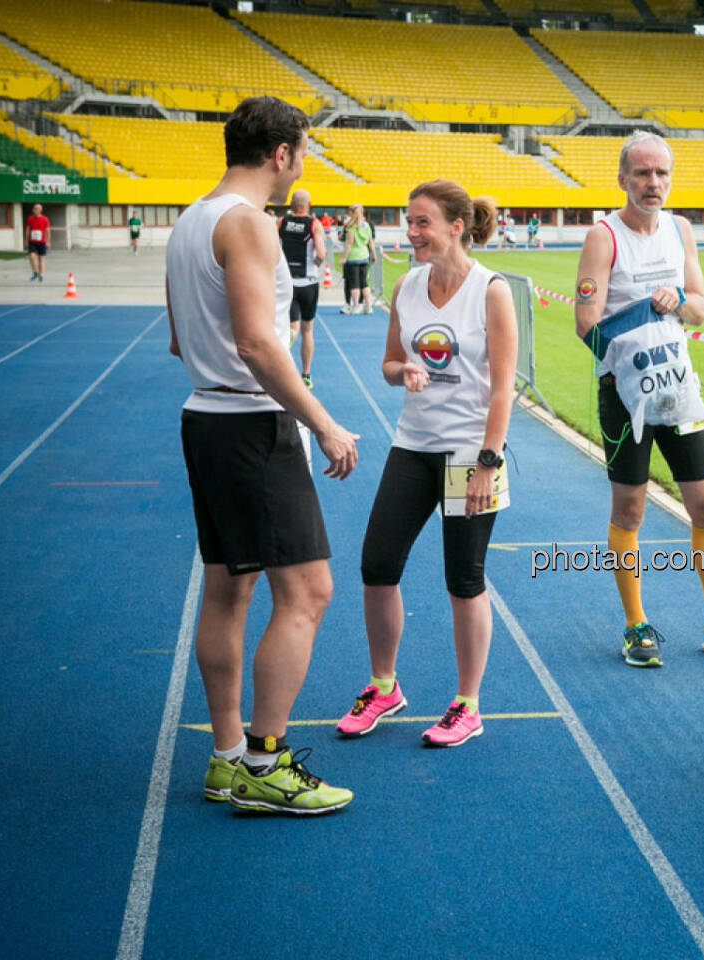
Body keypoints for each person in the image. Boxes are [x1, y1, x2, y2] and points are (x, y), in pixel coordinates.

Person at [165, 95, 360, 815]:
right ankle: (265, 761)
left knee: (228, 589)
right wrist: (327, 424)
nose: (303, 163)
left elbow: (182, 342)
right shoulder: (249, 224)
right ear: (280, 153)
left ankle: (226, 759)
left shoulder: (190, 220)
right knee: (307, 592)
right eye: (302, 151)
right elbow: (255, 342)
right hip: (252, 424)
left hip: (205, 417)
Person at [573, 131, 704, 668]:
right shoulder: (603, 236)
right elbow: (585, 326)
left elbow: (701, 309)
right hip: (626, 398)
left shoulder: (681, 230)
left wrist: (679, 300)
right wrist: (643, 317)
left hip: (678, 391)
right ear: (622, 179)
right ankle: (637, 626)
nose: (653, 183)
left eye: (661, 174)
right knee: (630, 510)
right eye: (642, 173)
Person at [336, 178, 517, 748]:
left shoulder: (491, 290)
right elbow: (390, 362)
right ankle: (383, 686)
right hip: (412, 444)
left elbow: (504, 391)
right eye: (407, 222)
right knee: (377, 563)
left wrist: (488, 460)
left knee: (463, 580)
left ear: (456, 227)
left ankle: (467, 703)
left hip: (471, 451)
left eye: (421, 223)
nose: (410, 232)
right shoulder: (408, 287)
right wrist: (404, 372)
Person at [278, 188, 326, 388]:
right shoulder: (314, 224)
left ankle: (281, 363)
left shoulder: (281, 222)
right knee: (307, 329)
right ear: (308, 204)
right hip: (308, 283)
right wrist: (315, 261)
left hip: (286, 282)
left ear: (291, 204)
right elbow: (321, 253)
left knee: (291, 326)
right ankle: (305, 375)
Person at [341, 203, 377, 314]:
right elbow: (371, 242)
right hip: (364, 256)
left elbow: (349, 244)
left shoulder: (351, 227)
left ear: (351, 213)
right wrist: (374, 254)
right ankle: (368, 306)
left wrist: (344, 258)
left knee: (354, 283)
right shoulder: (366, 225)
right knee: (364, 283)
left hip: (353, 258)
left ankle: (356, 306)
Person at [25, 203, 50, 282]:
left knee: (40, 259)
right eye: (35, 209)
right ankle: (35, 272)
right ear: (33, 210)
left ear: (41, 210)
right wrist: (26, 240)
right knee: (31, 256)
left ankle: (41, 274)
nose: (36, 210)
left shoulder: (45, 219)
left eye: (38, 209)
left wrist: (48, 241)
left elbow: (47, 231)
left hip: (41, 241)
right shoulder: (30, 218)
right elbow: (28, 229)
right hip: (32, 241)